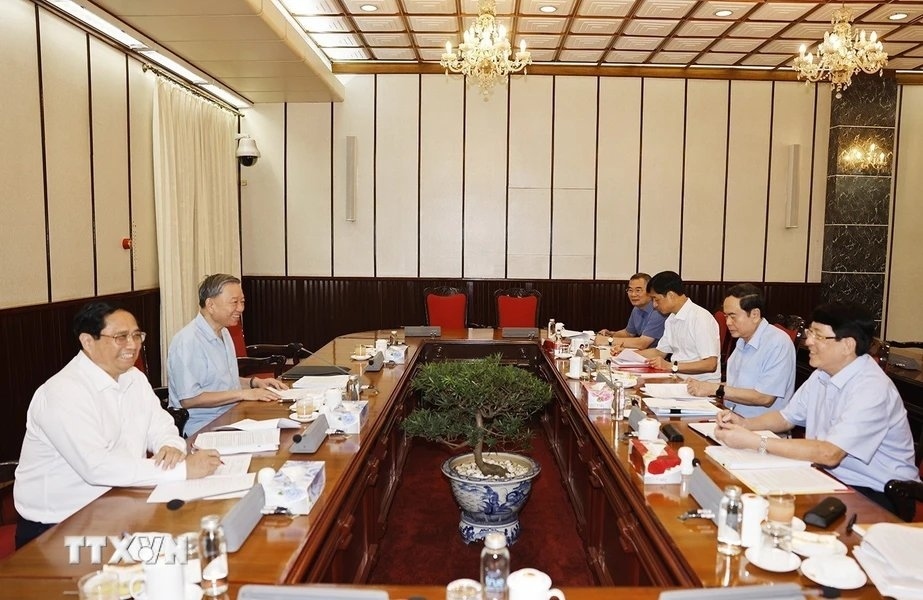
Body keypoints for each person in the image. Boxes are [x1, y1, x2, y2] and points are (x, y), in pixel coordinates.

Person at [13, 302, 222, 548]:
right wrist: (183, 470)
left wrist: (171, 445)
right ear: (88, 342)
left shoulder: (134, 378)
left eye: (136, 335)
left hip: (120, 503)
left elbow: (161, 424)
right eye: (120, 337)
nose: (132, 345)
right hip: (59, 525)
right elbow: (98, 468)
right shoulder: (62, 393)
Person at [715, 302, 920, 511]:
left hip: (876, 493)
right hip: (826, 477)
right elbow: (786, 417)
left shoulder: (871, 388)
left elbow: (830, 453)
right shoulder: (823, 373)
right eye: (809, 333)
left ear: (848, 345)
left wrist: (755, 441)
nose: (808, 341)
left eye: (818, 336)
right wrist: (744, 424)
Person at [168, 274, 288, 435]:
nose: (241, 308)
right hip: (202, 428)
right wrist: (244, 394)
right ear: (211, 305)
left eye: (242, 302)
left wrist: (254, 383)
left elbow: (219, 382)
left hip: (232, 417)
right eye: (234, 302)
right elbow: (189, 399)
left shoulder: (223, 332)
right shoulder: (187, 341)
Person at [686, 284, 795, 417]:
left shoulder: (777, 343)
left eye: (733, 316)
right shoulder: (743, 339)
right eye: (726, 316)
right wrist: (703, 386)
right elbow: (737, 385)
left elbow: (765, 397)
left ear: (755, 314)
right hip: (732, 417)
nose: (728, 323)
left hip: (761, 430)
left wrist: (716, 388)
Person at [637, 270, 721, 382]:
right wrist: (624, 355)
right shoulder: (671, 318)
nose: (654, 305)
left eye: (656, 299)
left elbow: (710, 364)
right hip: (678, 379)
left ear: (671, 295)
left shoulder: (700, 318)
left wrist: (671, 366)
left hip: (700, 385)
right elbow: (659, 352)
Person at [597, 272, 666, 350]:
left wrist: (609, 340)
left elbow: (642, 343)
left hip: (657, 356)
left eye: (638, 290)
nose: (633, 294)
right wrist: (610, 334)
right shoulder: (637, 308)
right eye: (630, 290)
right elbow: (628, 333)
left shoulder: (659, 310)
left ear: (650, 291)